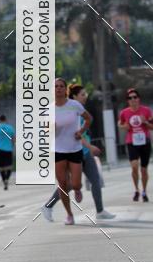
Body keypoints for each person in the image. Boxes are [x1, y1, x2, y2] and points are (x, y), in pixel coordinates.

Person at [42, 84, 115, 222]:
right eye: (82, 94)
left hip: (85, 152)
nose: (85, 96)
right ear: (74, 96)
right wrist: (90, 146)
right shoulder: (69, 112)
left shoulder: (79, 110)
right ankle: (49, 206)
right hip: (72, 152)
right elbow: (75, 135)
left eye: (85, 94)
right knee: (68, 184)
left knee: (95, 180)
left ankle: (100, 211)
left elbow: (84, 128)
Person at [52, 77, 93, 226]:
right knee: (62, 184)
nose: (58, 89)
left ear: (65, 89)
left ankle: (77, 189)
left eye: (61, 86)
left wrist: (81, 131)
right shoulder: (48, 109)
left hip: (75, 148)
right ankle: (69, 214)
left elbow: (89, 119)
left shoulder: (74, 105)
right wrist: (51, 128)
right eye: (56, 86)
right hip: (58, 150)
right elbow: (45, 130)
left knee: (75, 184)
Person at [118, 88, 152, 202]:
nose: (133, 99)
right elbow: (120, 123)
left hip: (145, 142)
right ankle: (136, 189)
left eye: (134, 97)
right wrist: (124, 126)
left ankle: (144, 191)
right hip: (131, 142)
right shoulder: (124, 112)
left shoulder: (146, 111)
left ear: (139, 99)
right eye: (130, 98)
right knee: (134, 166)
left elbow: (152, 126)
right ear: (128, 100)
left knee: (143, 169)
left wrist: (145, 122)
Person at [0, 114, 15, 190]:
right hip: (8, 149)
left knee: (1, 167)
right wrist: (13, 146)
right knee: (9, 166)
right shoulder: (10, 128)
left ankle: (4, 179)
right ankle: (7, 178)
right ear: (5, 119)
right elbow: (14, 139)